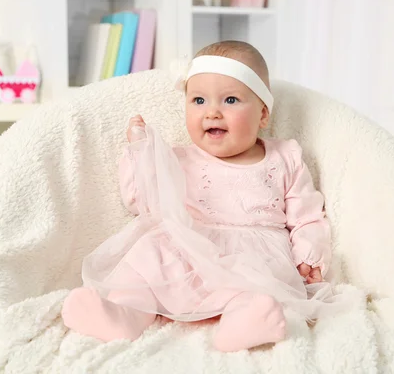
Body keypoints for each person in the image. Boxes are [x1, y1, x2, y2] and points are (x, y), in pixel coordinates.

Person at [62, 40, 345, 352]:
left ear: (263, 114)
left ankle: (242, 324)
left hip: (253, 256)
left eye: (231, 100)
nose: (212, 112)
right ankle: (124, 314)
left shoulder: (284, 157)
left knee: (255, 291)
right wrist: (142, 152)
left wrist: (309, 253)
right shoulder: (180, 158)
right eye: (198, 100)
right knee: (147, 265)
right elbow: (142, 200)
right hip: (189, 248)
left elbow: (306, 214)